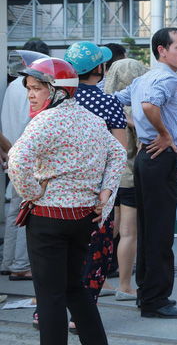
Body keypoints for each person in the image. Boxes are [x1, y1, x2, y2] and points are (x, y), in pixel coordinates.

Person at [7, 52, 126, 345]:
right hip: (83, 219)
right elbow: (119, 154)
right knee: (74, 287)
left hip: (48, 220)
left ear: (58, 90)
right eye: (28, 88)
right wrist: (106, 196)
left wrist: (33, 193)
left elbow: (16, 159)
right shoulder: (92, 119)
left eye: (36, 88)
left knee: (50, 297)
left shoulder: (45, 121)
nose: (30, 95)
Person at [114, 27, 177, 319]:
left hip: (147, 158)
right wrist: (165, 134)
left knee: (148, 229)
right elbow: (148, 105)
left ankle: (147, 292)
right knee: (159, 231)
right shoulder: (167, 77)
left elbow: (119, 99)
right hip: (160, 156)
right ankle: (156, 300)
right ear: (162, 50)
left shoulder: (143, 78)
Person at [63, 41, 128, 329]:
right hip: (96, 190)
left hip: (61, 191)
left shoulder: (60, 99)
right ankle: (81, 314)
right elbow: (119, 150)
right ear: (99, 69)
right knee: (96, 251)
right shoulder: (108, 102)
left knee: (60, 252)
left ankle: (47, 310)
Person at [1, 41, 49, 281]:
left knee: (13, 210)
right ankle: (20, 264)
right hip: (29, 157)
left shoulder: (12, 86)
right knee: (25, 209)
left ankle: (8, 260)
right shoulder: (40, 87)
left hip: (10, 152)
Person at [103, 58, 150, 301]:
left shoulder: (101, 102)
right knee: (129, 232)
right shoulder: (133, 105)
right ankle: (125, 285)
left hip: (106, 178)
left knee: (107, 230)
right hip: (129, 174)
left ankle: (99, 280)